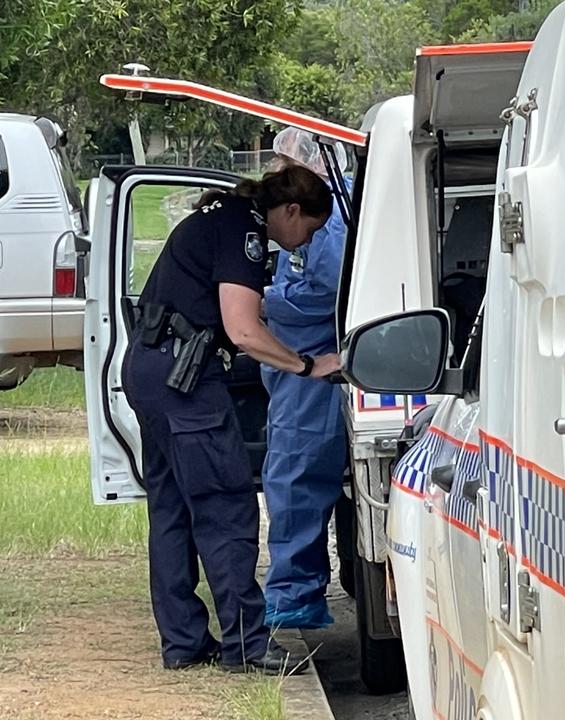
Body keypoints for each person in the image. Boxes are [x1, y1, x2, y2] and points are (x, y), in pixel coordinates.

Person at [122, 165, 341, 674]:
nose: (298, 247)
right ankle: (248, 644)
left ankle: (183, 642)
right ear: (289, 211)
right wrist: (308, 365)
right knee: (225, 507)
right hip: (186, 378)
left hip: (151, 369)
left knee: (173, 509)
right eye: (306, 232)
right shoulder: (244, 230)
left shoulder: (219, 217)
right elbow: (242, 331)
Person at [260, 127, 352, 630]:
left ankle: (294, 597)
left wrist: (263, 303)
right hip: (299, 370)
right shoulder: (323, 215)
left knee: (296, 483)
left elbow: (335, 296)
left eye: (281, 164)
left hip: (314, 372)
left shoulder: (329, 222)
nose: (274, 174)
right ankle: (296, 591)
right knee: (295, 481)